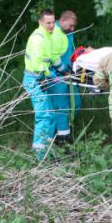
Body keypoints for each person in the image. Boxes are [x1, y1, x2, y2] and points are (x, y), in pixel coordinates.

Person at [23, 9, 64, 160]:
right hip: (34, 80)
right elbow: (37, 64)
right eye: (48, 23)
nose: (52, 25)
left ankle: (48, 150)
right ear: (40, 22)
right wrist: (50, 75)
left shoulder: (47, 36)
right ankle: (39, 157)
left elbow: (49, 58)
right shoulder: (38, 38)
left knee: (51, 115)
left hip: (41, 79)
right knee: (43, 116)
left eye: (53, 22)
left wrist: (55, 73)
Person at [44, 10, 76, 144]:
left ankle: (63, 133)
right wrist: (64, 72)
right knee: (60, 108)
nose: (72, 29)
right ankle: (61, 140)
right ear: (62, 21)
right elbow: (54, 57)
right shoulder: (54, 33)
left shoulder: (67, 32)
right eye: (70, 25)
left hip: (66, 73)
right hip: (57, 75)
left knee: (72, 105)